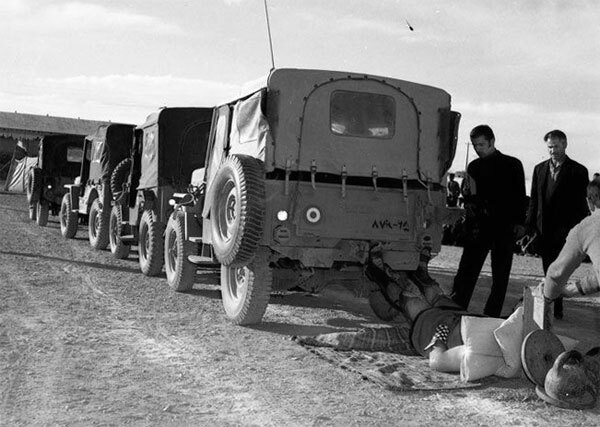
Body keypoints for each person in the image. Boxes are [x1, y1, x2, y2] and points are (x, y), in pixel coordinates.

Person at [450, 125, 527, 317]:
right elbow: (469, 196)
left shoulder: (513, 165)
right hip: (479, 228)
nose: (478, 149)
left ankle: (491, 315)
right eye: (475, 145)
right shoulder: (474, 167)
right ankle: (455, 310)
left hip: (504, 227)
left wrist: (520, 224)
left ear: (492, 141)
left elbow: (520, 197)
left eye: (481, 144)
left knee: (500, 278)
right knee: (466, 273)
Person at [526, 130, 589, 319]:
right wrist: (529, 225)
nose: (553, 150)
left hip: (566, 230)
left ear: (565, 145)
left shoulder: (578, 171)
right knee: (548, 268)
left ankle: (557, 303)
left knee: (561, 269)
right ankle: (550, 302)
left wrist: (579, 230)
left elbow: (581, 204)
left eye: (556, 146)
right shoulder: (539, 169)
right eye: (550, 147)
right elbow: (534, 200)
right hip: (544, 228)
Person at [542, 177, 600, 303]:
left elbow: (556, 273)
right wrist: (573, 289)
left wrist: (547, 295)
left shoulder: (586, 228)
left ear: (589, 201)